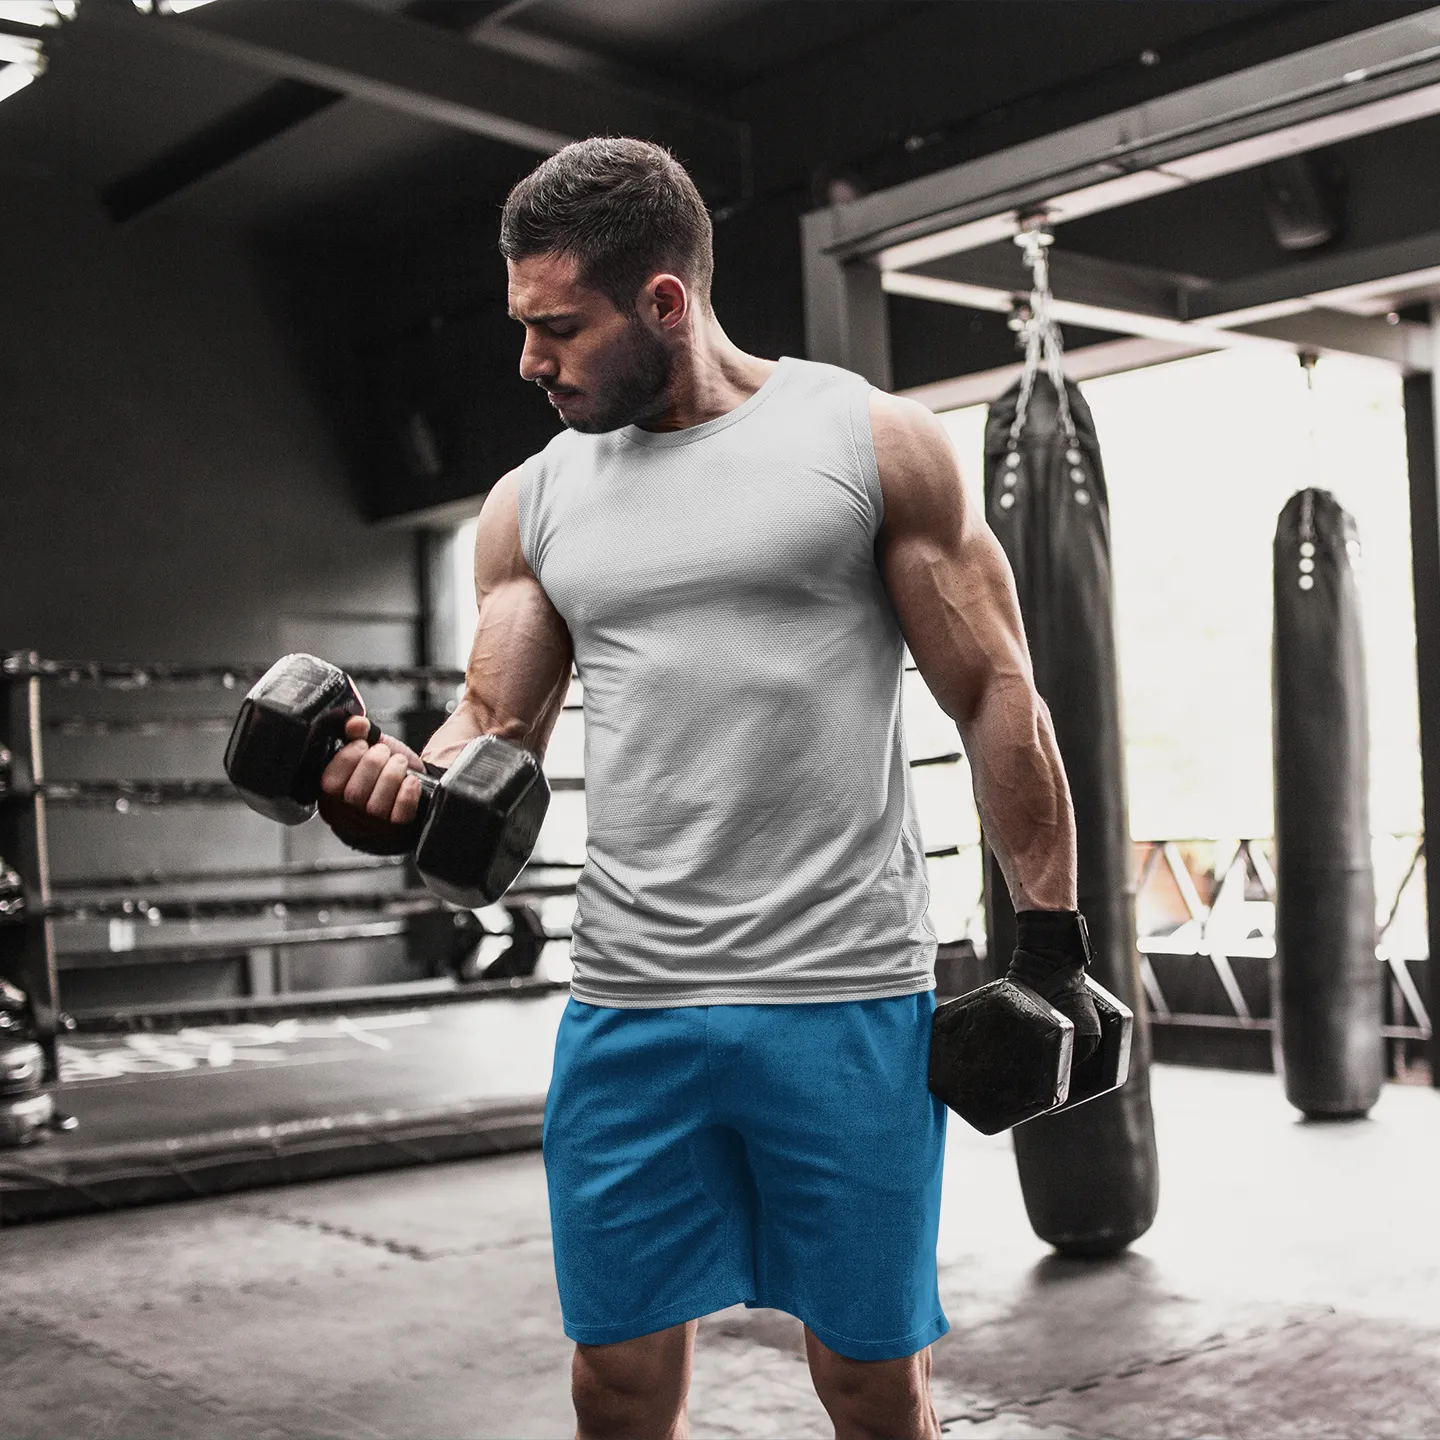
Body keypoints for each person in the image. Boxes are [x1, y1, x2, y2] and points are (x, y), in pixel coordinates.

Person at [318, 137, 1095, 1440]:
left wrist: (1057, 942)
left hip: (845, 1003)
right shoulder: (533, 503)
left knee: (866, 1379)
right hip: (631, 1008)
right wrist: (392, 786)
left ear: (665, 302)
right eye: (522, 326)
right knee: (613, 1379)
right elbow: (491, 725)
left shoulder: (871, 442)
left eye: (559, 328)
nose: (529, 362)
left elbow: (996, 693)